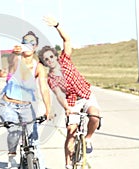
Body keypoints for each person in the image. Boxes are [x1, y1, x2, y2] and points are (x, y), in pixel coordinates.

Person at [38, 16, 101, 169]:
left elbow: (66, 40)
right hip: (72, 102)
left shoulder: (65, 60)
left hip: (86, 95)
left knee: (94, 116)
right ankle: (67, 164)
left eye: (51, 56)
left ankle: (88, 138)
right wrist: (67, 108)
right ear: (44, 62)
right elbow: (59, 95)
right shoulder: (51, 78)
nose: (50, 60)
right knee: (71, 131)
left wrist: (57, 26)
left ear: (56, 56)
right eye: (46, 59)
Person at [0, 31, 51, 169]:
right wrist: (15, 53)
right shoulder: (16, 60)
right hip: (8, 105)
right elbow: (11, 62)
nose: (28, 46)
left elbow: (44, 89)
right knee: (14, 130)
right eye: (25, 43)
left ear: (35, 47)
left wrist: (48, 110)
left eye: (31, 44)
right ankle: (12, 155)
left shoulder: (38, 67)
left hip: (27, 106)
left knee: (34, 140)